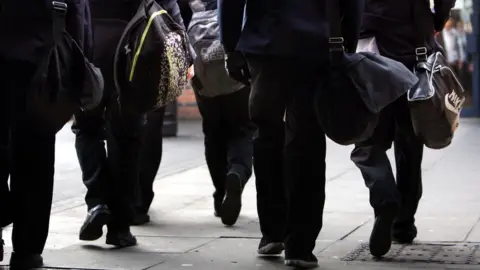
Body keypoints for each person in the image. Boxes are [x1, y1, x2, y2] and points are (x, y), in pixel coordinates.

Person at [219, 0, 363, 267]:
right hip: (316, 45)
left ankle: (272, 232)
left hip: (266, 42)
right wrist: (346, 41)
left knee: (266, 132)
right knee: (307, 138)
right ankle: (301, 245)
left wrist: (231, 47)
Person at [73, 0, 188, 246]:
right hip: (134, 49)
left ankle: (97, 202)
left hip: (89, 42)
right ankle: (120, 227)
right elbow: (167, 8)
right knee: (126, 137)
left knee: (87, 127)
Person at [350, 0, 456, 258]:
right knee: (409, 140)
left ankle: (385, 198)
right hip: (413, 41)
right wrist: (437, 20)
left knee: (368, 141)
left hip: (369, 46)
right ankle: (403, 223)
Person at [0, 0, 93, 268]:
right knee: (36, 158)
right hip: (40, 57)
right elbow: (77, 9)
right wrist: (80, 57)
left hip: (35, 55)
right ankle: (28, 250)